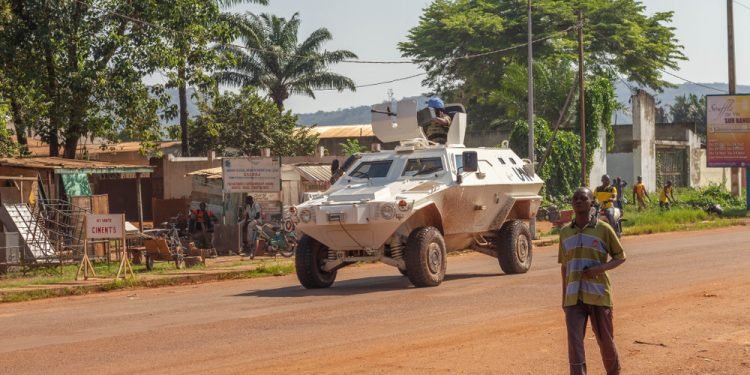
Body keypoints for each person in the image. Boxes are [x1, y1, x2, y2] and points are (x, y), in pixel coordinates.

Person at [559, 187, 627, 375]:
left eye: (583, 198)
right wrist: (564, 297)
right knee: (575, 344)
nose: (579, 201)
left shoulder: (603, 229)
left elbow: (620, 257)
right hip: (573, 298)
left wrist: (599, 269)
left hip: (599, 295)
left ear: (591, 203)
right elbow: (564, 266)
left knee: (605, 340)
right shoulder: (565, 233)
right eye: (575, 198)